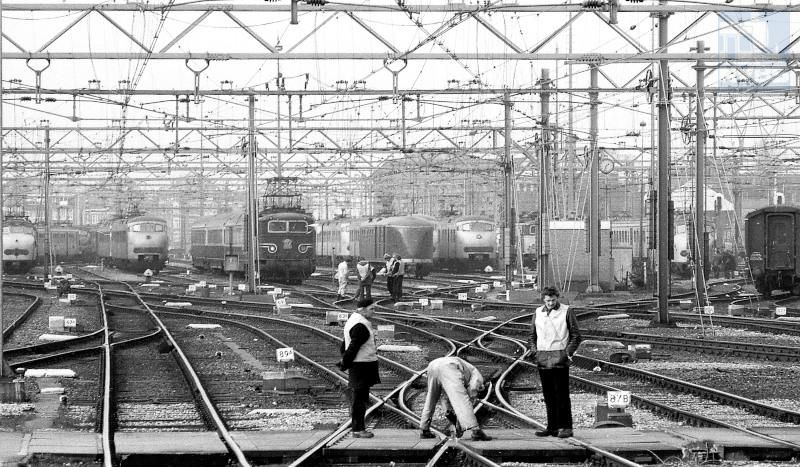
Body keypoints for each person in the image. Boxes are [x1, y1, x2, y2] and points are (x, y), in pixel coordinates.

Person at [529, 286, 582, 439]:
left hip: (559, 357)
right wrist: (534, 351)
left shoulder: (567, 311)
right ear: (543, 300)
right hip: (543, 357)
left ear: (557, 298)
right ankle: (552, 427)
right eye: (548, 300)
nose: (550, 303)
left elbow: (576, 336)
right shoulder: (538, 312)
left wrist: (567, 353)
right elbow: (532, 335)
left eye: (553, 300)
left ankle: (565, 427)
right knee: (548, 394)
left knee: (561, 394)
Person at [419, 356, 492, 441]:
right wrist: (473, 398)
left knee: (431, 399)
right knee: (462, 400)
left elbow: (445, 398)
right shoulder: (479, 378)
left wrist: (449, 412)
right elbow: (471, 393)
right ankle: (476, 431)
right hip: (449, 367)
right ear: (482, 389)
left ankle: (424, 429)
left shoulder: (468, 370)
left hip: (433, 365)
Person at [338, 298, 381, 438]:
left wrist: (344, 359)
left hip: (361, 363)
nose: (373, 312)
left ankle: (359, 428)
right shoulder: (360, 325)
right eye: (371, 309)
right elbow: (353, 346)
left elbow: (345, 343)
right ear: (362, 309)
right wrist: (345, 362)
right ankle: (358, 429)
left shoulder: (355, 320)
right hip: (362, 365)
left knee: (360, 397)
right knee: (360, 398)